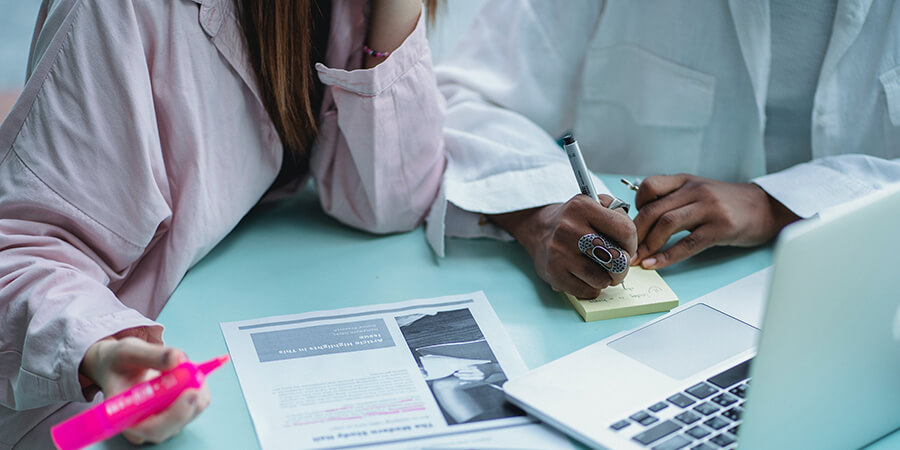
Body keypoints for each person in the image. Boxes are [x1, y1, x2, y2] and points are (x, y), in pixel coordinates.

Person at [0, 0, 445, 447]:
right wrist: (100, 349)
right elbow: (20, 257)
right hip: (90, 401)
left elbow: (391, 201)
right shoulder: (116, 10)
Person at [426, 0, 900, 300]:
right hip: (648, 314)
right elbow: (463, 99)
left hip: (867, 301)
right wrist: (542, 213)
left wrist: (772, 204)